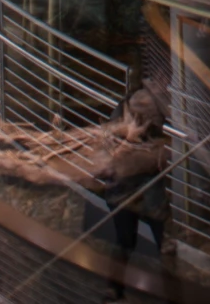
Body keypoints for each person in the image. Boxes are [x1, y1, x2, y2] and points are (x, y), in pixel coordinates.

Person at [86, 87, 169, 298]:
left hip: (144, 187)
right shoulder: (121, 122)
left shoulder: (130, 114)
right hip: (126, 188)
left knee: (157, 244)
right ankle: (115, 288)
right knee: (128, 240)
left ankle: (118, 288)